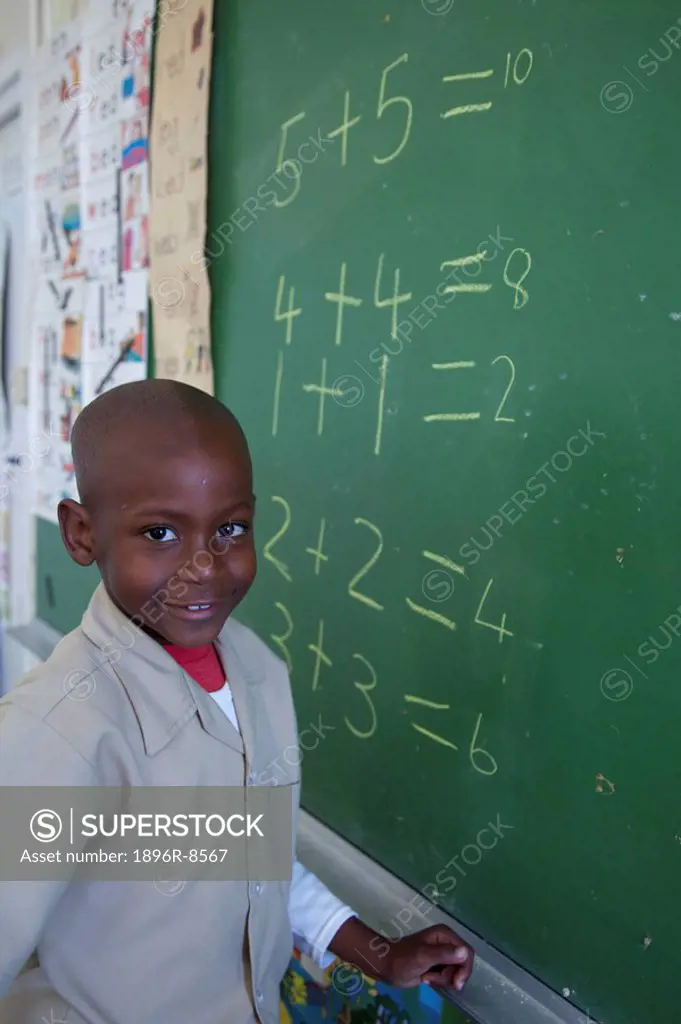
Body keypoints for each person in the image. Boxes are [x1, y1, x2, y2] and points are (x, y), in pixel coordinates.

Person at [0, 380, 474, 1023]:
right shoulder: (58, 730)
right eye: (160, 532)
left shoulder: (255, 670)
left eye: (230, 527)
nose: (205, 566)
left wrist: (376, 951)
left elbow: (249, 857)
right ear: (82, 534)